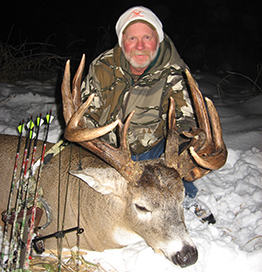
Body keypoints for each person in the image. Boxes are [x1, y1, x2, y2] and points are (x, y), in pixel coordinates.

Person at [80, 6, 215, 223]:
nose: (140, 46)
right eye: (132, 38)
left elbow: (188, 121)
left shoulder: (175, 74)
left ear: (158, 40)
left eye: (147, 37)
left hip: (150, 153)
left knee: (175, 159)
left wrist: (180, 149)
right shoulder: (102, 67)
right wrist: (89, 140)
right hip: (107, 151)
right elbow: (87, 112)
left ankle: (184, 197)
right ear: (122, 41)